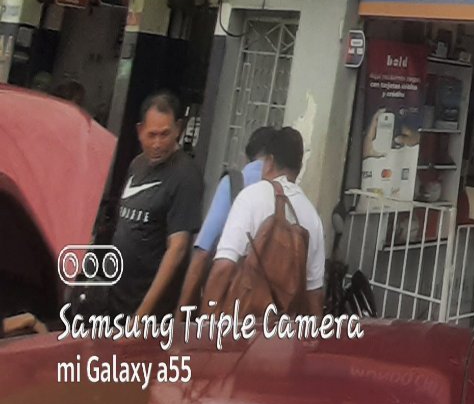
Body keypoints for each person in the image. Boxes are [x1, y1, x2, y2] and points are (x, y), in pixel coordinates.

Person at [204, 127, 327, 317]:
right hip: (285, 330)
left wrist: (205, 324)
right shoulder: (312, 216)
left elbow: (224, 267)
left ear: (269, 161)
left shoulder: (251, 196)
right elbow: (314, 294)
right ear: (299, 168)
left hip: (241, 324)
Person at [107, 91, 204, 318]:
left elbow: (178, 249)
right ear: (140, 131)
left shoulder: (185, 176)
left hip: (149, 314)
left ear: (178, 129)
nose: (158, 143)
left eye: (165, 134)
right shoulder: (136, 165)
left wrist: (141, 315)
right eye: (152, 135)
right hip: (116, 301)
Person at [179, 127, 276, 309]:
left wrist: (180, 314)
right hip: (270, 309)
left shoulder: (235, 183)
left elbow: (203, 252)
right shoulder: (286, 194)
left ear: (247, 156)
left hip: (229, 305)